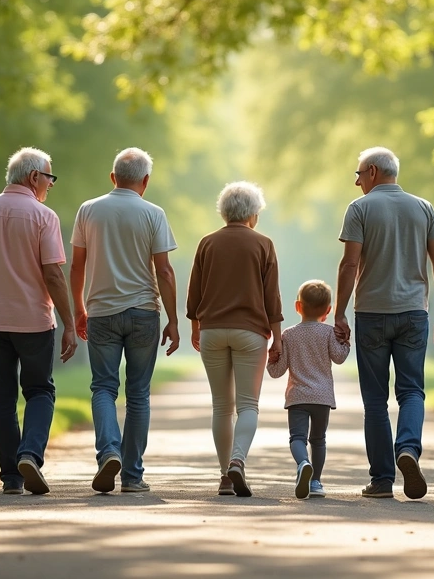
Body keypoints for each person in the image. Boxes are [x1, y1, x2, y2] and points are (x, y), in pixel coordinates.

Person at [0, 147, 78, 496]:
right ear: (34, 177)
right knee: (40, 390)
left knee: (1, 397)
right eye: (49, 178)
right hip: (34, 321)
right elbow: (53, 274)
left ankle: (11, 476)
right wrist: (69, 322)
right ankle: (30, 454)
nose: (51, 185)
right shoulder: (43, 216)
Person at [333, 147, 434, 500]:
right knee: (412, 390)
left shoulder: (360, 209)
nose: (356, 181)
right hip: (414, 313)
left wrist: (339, 312)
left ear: (372, 171)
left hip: (371, 313)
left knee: (375, 400)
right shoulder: (424, 207)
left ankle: (382, 480)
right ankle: (408, 450)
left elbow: (349, 265)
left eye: (358, 174)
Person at [70, 147, 180, 495]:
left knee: (103, 387)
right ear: (145, 181)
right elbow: (163, 269)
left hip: (101, 311)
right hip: (144, 313)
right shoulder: (154, 213)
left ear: (113, 177)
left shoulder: (88, 210)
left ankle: (108, 452)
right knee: (138, 394)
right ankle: (132, 476)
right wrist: (174, 320)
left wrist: (77, 309)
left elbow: (76, 266)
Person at [187, 181, 283, 497]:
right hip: (251, 332)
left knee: (221, 406)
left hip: (212, 330)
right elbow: (272, 298)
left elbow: (195, 291)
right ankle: (238, 461)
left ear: (224, 212)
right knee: (248, 405)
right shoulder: (263, 244)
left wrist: (195, 326)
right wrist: (277, 338)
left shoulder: (207, 243)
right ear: (253, 214)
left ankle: (225, 476)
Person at [266, 280, 351, 499]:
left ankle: (303, 463)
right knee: (319, 440)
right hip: (322, 397)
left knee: (297, 438)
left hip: (297, 397)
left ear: (298, 306)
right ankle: (315, 482)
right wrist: (346, 342)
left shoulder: (289, 335)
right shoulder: (329, 333)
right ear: (328, 310)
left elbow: (277, 371)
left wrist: (271, 359)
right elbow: (339, 358)